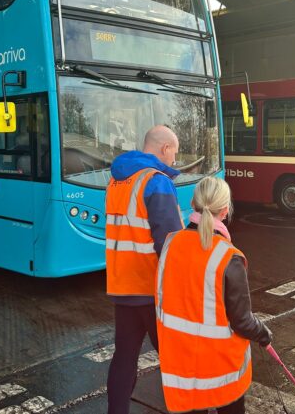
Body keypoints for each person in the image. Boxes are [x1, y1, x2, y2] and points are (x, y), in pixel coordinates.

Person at [154, 176, 271, 414]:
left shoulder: (170, 243)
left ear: (193, 204)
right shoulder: (229, 257)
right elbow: (242, 321)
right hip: (221, 370)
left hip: (181, 365)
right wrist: (264, 333)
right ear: (226, 211)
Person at [105, 125, 184, 414]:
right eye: (174, 151)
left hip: (122, 284)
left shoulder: (117, 181)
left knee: (124, 357)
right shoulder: (157, 182)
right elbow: (171, 244)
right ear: (165, 149)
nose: (175, 158)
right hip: (153, 287)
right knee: (175, 358)